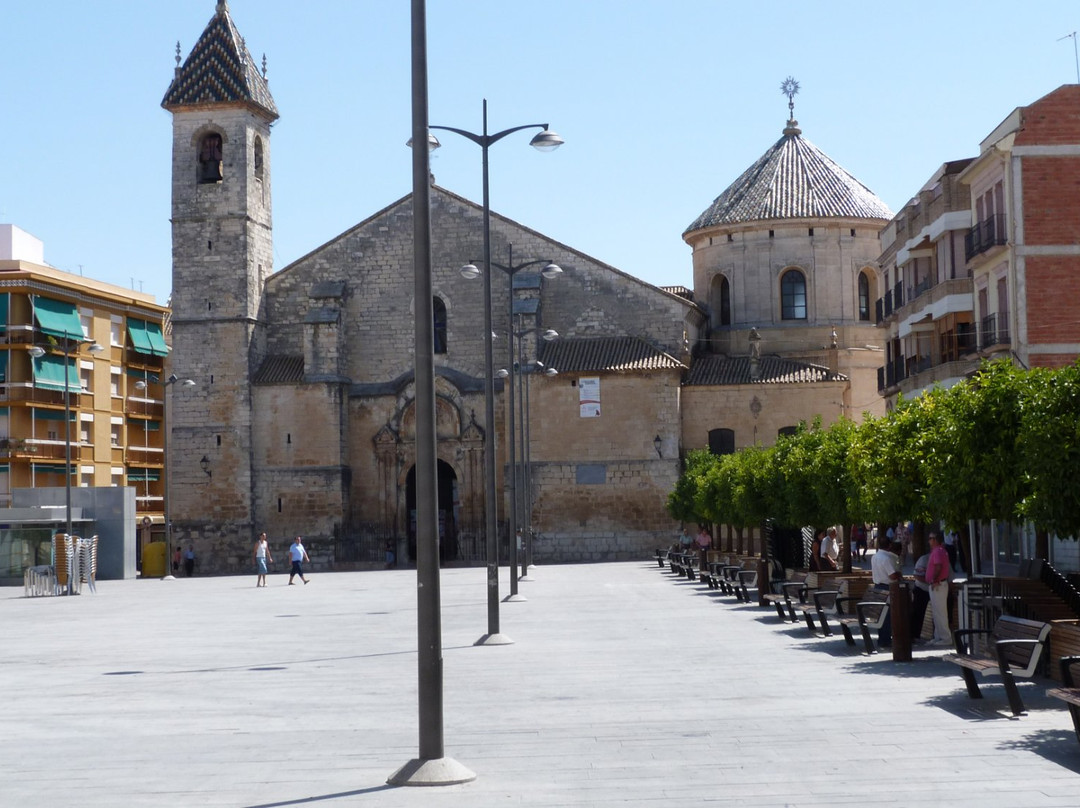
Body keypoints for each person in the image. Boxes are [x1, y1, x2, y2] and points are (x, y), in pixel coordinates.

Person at [870, 539, 903, 647]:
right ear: (889, 546)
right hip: (887, 587)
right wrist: (899, 574)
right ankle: (885, 639)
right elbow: (892, 575)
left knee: (881, 614)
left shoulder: (874, 557)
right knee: (887, 615)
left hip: (877, 586)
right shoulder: (887, 558)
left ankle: (882, 638)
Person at [926, 532, 953, 646]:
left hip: (938, 585)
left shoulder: (937, 551)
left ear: (935, 540)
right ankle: (938, 637)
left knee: (940, 612)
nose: (929, 540)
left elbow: (938, 566)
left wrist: (934, 580)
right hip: (939, 584)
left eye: (931, 538)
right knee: (937, 612)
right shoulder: (940, 551)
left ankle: (946, 638)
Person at [910, 546, 931, 643]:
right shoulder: (924, 559)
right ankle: (914, 635)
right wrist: (931, 582)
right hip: (922, 589)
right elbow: (917, 575)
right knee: (918, 613)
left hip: (937, 590)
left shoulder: (944, 558)